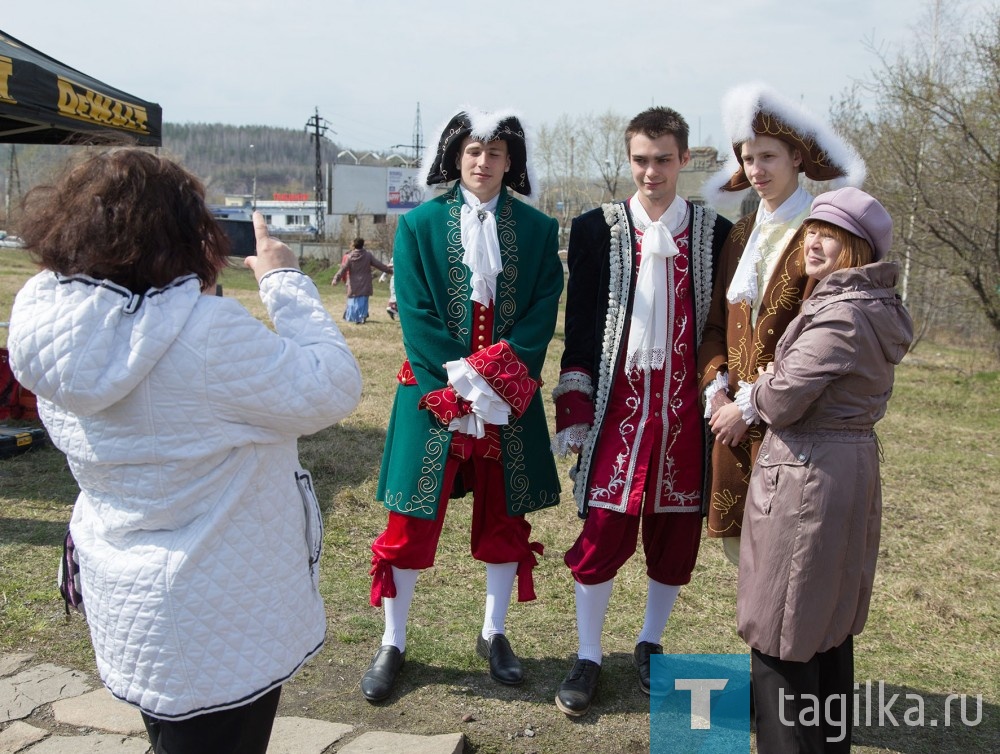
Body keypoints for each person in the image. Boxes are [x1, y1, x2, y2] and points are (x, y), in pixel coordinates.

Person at [7, 149, 363, 754]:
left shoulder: (50, 327)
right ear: (178, 232)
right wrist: (282, 279)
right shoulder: (204, 335)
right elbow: (331, 385)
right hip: (218, 609)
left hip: (130, 597)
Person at [360, 107, 563, 703]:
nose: (482, 162)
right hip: (434, 395)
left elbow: (540, 309)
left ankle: (494, 632)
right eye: (473, 151)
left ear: (510, 161)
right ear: (455, 156)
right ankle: (393, 641)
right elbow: (416, 312)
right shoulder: (419, 225)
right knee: (409, 519)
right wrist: (457, 386)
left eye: (495, 153)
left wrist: (497, 381)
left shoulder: (537, 229)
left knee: (504, 519)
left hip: (506, 399)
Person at [550, 107, 732, 716]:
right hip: (615, 411)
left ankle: (651, 642)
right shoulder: (596, 227)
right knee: (602, 531)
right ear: (628, 161)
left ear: (684, 159)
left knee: (675, 535)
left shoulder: (714, 232)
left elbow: (721, 328)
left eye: (662, 159)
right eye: (640, 160)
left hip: (684, 415)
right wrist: (574, 405)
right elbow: (578, 325)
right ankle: (588, 654)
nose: (650, 171)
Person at [737, 188, 912, 752]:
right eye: (811, 228)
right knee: (825, 623)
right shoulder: (869, 307)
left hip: (809, 472)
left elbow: (784, 398)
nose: (813, 239)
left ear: (856, 247)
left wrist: (756, 391)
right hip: (843, 465)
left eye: (829, 233)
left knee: (783, 624)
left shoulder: (842, 314)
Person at [697, 83, 866, 566]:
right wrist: (718, 393)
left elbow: (823, 338)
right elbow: (714, 326)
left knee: (791, 557)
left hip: (794, 423)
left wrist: (750, 406)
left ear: (796, 157)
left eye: (768, 157)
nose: (757, 170)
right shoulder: (742, 233)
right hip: (731, 425)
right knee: (745, 558)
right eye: (748, 160)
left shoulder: (824, 229)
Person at [333, 237, 393, 323]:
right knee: (363, 300)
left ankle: (352, 317)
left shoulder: (349, 257)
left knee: (353, 300)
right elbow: (378, 265)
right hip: (365, 282)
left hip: (353, 283)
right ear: (362, 245)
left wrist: (336, 279)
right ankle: (362, 316)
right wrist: (389, 270)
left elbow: (343, 269)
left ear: (354, 245)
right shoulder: (368, 255)